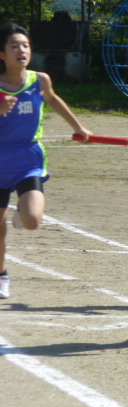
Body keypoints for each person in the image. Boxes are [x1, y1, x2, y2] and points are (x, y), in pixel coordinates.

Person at [0, 22, 91, 300]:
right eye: (14, 46)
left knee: (31, 221)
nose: (21, 50)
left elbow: (53, 99)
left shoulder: (40, 80)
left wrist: (78, 127)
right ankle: (2, 275)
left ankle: (21, 211)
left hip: (29, 158)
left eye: (25, 45)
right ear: (2, 54)